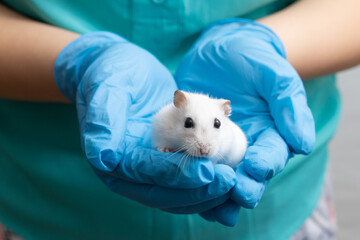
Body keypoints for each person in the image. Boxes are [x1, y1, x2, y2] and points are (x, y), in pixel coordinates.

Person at [0, 0, 358, 239]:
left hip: (283, 213)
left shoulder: (228, 129)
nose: (203, 143)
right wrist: (80, 63)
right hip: (48, 208)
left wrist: (267, 45)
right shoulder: (163, 121)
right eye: (188, 125)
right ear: (176, 108)